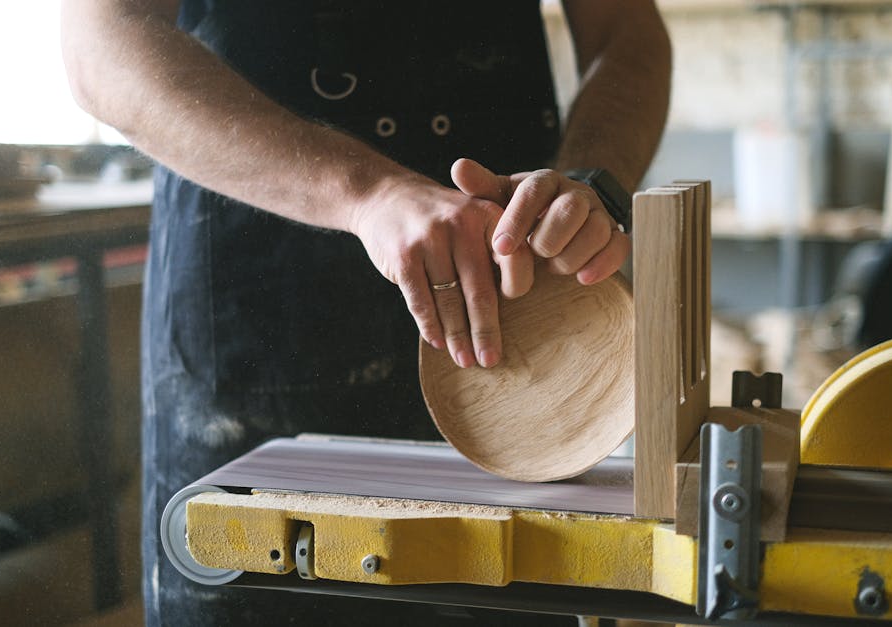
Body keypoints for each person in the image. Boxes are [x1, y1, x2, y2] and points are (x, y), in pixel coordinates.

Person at [61, 0, 671, 625]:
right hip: (263, 307)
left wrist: (591, 184)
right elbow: (101, 46)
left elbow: (628, 37)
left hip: (522, 322)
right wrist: (364, 193)